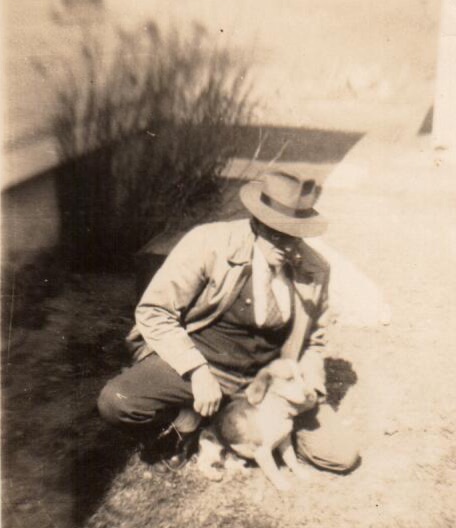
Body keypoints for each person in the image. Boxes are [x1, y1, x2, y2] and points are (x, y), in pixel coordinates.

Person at [97, 171, 360, 474]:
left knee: (340, 455)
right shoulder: (208, 243)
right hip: (200, 366)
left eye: (294, 235)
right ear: (256, 222)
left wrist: (308, 387)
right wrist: (196, 371)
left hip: (267, 384)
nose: (286, 246)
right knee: (118, 402)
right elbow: (155, 311)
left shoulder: (314, 270)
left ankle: (219, 419)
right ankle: (188, 419)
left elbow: (314, 341)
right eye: (276, 233)